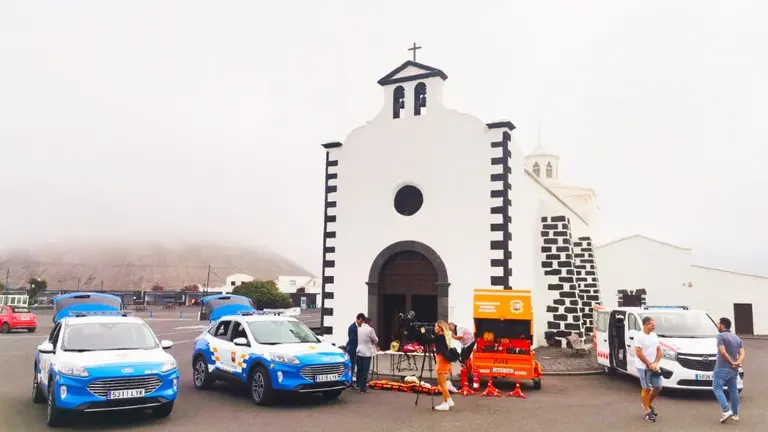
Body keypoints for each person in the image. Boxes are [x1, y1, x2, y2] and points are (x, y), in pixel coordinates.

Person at [712, 317, 745, 423]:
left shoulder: (720, 336)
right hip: (734, 369)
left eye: (718, 324)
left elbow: (722, 351)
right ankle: (735, 414)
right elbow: (742, 353)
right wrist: (737, 363)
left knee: (717, 388)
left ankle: (726, 410)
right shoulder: (737, 338)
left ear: (723, 325)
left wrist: (731, 362)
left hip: (722, 367)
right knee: (733, 390)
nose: (717, 326)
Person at [634, 316, 662, 422]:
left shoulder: (654, 336)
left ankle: (647, 404)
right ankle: (647, 412)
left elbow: (659, 350)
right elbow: (638, 353)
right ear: (646, 325)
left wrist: (655, 363)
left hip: (654, 366)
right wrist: (648, 363)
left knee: (658, 387)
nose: (654, 326)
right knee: (646, 388)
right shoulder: (639, 337)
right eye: (652, 325)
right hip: (643, 367)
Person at [433, 320, 456, 411]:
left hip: (442, 361)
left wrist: (422, 332)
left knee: (442, 384)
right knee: (441, 382)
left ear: (440, 328)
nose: (434, 328)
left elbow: (429, 340)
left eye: (436, 326)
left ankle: (445, 403)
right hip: (443, 361)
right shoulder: (443, 336)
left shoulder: (440, 337)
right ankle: (449, 399)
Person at [356, 315, 378, 394]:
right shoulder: (370, 330)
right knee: (365, 371)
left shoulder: (358, 329)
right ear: (369, 323)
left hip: (358, 351)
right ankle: (363, 389)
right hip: (367, 352)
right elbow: (376, 340)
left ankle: (359, 385)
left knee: (360, 370)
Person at [346, 313, 365, 389]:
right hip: (352, 350)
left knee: (358, 366)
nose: (362, 323)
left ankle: (357, 383)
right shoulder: (352, 327)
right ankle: (349, 384)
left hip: (357, 350)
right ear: (358, 319)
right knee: (352, 367)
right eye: (361, 321)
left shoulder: (359, 327)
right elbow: (352, 339)